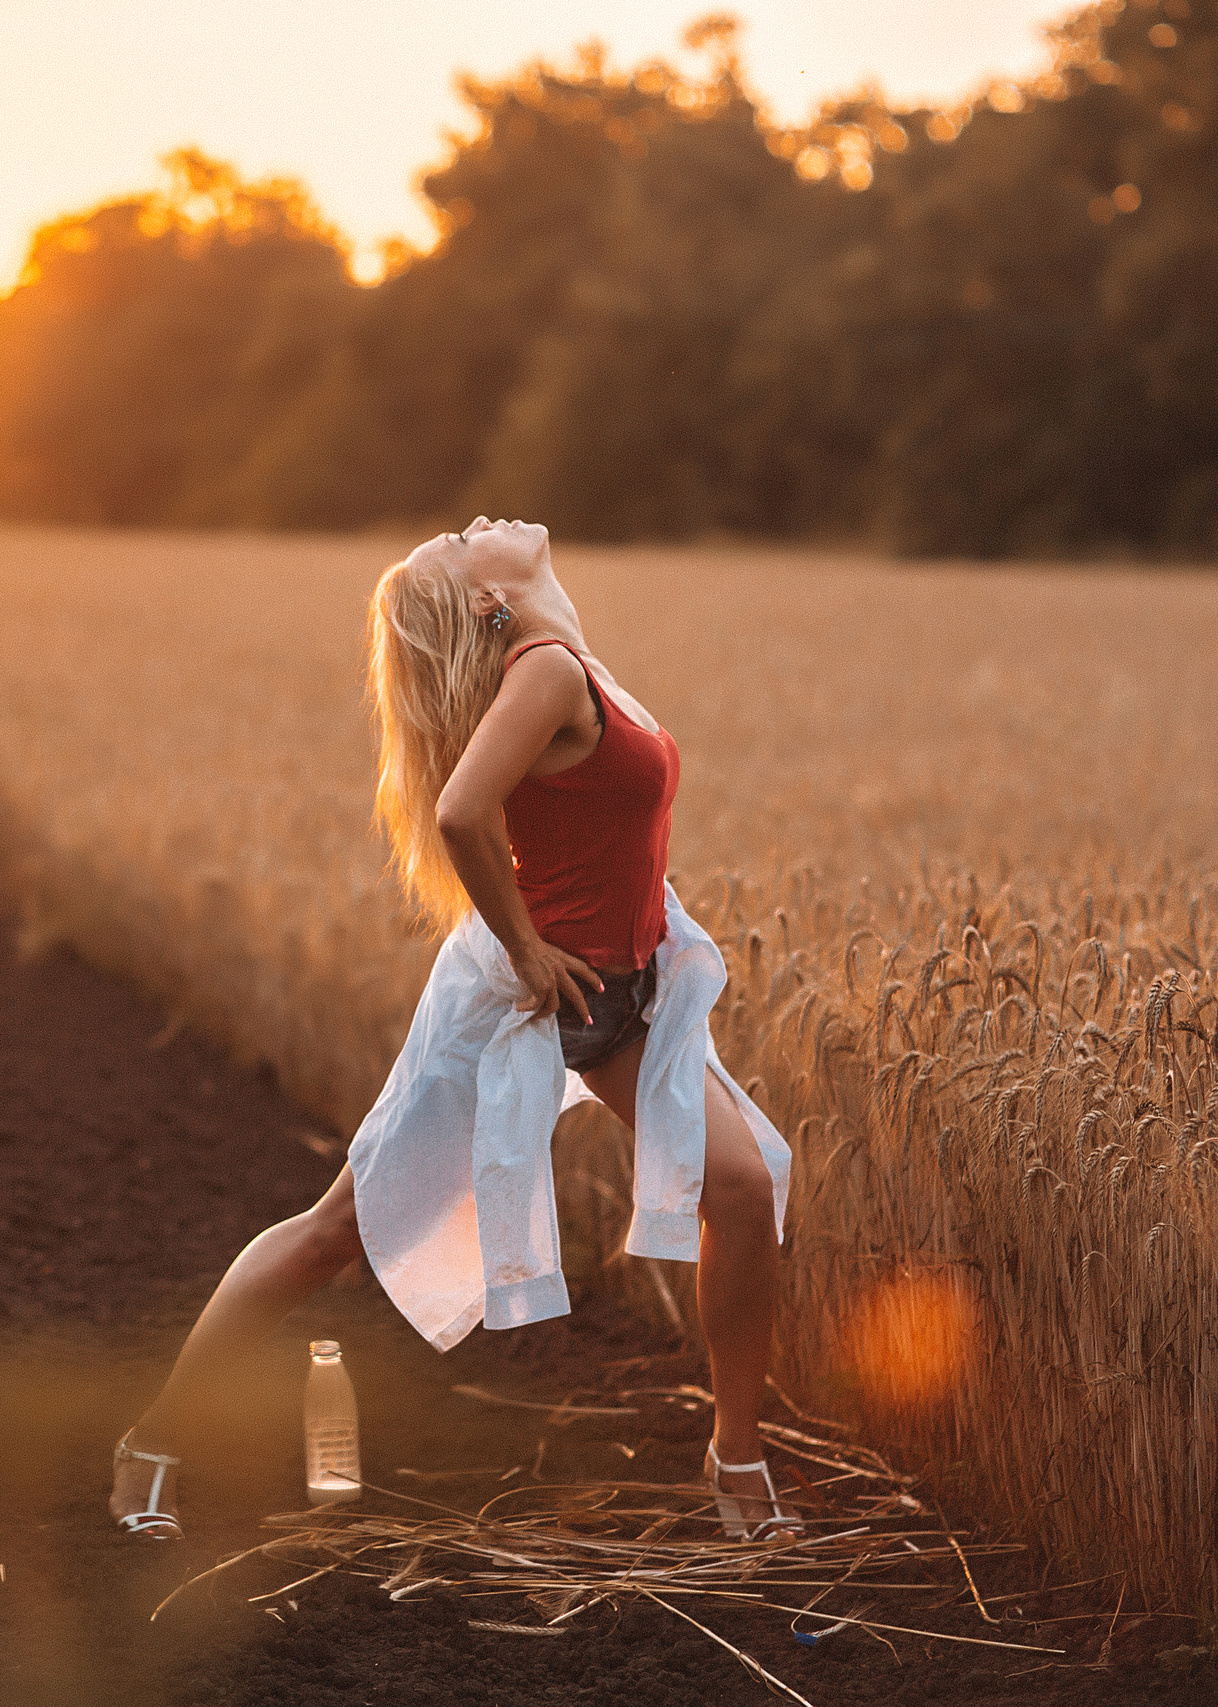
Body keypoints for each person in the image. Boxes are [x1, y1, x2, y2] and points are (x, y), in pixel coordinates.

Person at [109, 516, 794, 1543]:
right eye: (456, 541)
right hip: (517, 1009)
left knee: (741, 1189)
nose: (473, 523)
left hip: (622, 997)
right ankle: (152, 1441)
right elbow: (461, 811)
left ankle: (734, 1458)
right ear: (486, 600)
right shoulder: (547, 669)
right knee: (336, 1232)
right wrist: (523, 948)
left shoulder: (567, 659)